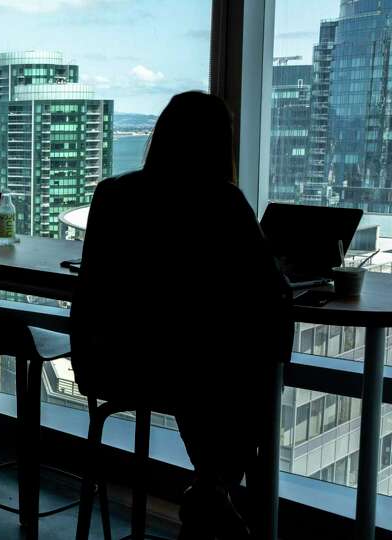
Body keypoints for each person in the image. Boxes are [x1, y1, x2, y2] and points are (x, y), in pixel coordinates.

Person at [71, 91, 293, 539]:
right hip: (180, 372)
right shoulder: (223, 201)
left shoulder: (112, 193)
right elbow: (271, 292)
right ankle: (213, 486)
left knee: (193, 356)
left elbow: (96, 282)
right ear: (219, 144)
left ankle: (211, 489)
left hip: (108, 364)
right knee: (229, 362)